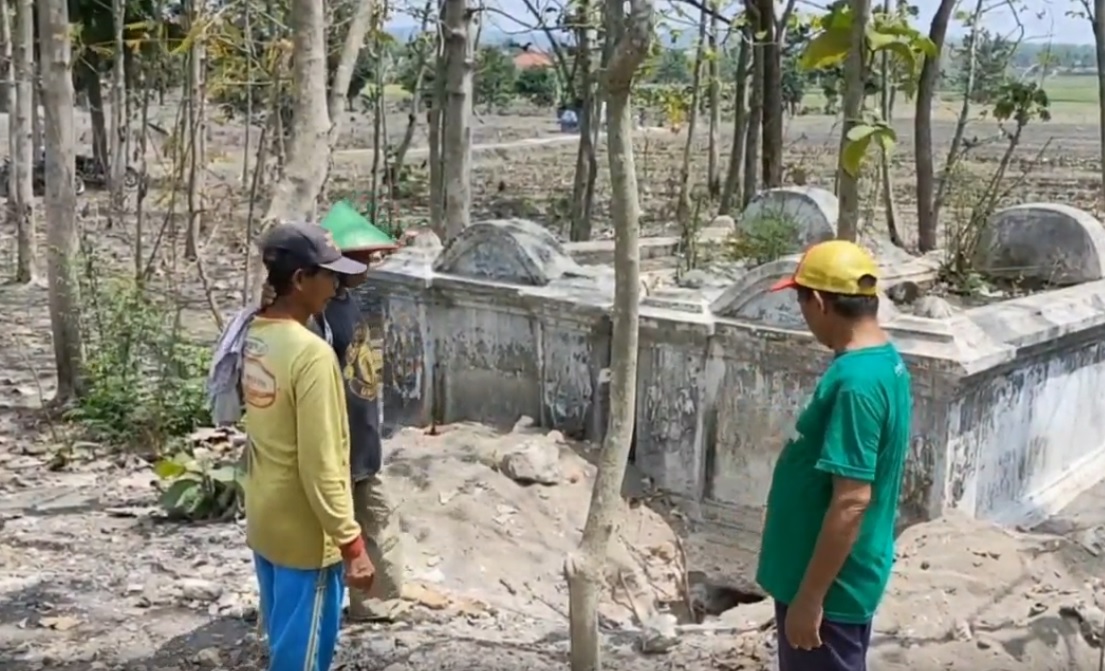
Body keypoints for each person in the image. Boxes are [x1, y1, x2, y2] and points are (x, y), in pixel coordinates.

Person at [755, 240, 912, 671]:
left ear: (820, 302)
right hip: (829, 580)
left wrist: (810, 598)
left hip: (830, 591)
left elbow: (851, 499)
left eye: (801, 302)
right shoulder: (882, 363)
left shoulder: (857, 382)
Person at [241, 221, 376, 671]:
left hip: (266, 520)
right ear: (300, 280)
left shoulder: (256, 334)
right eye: (328, 274)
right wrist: (351, 544)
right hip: (305, 534)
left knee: (284, 643)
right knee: (302, 659)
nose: (336, 284)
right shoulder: (311, 354)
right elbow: (321, 464)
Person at [314, 201, 406, 622]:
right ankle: (327, 609)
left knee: (379, 522)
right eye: (363, 258)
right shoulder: (318, 315)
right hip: (336, 443)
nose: (371, 264)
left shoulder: (347, 301)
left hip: (364, 439)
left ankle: (378, 606)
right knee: (332, 534)